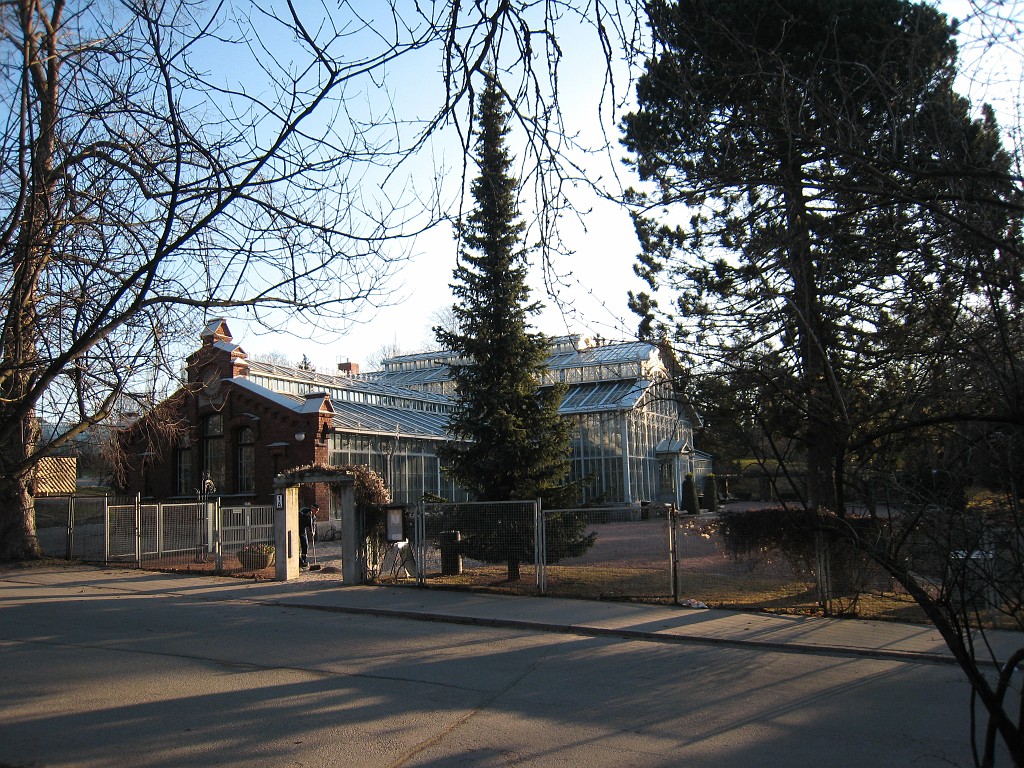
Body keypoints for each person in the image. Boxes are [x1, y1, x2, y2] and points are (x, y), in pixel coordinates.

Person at [298, 503, 319, 567]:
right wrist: (306, 516)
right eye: (315, 510)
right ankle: (299, 560)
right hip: (296, 528)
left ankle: (303, 559)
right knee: (297, 545)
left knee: (305, 545)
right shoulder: (304, 510)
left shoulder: (313, 517)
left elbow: (313, 526)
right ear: (312, 508)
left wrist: (313, 532)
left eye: (317, 511)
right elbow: (299, 515)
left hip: (302, 531)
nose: (316, 512)